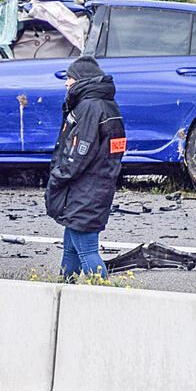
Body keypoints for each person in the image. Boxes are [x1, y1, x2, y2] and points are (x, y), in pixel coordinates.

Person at [45, 56, 126, 281]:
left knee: (87, 249)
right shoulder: (106, 105)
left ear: (81, 80)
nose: (66, 83)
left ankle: (102, 295)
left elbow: (79, 152)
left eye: (69, 78)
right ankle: (62, 287)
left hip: (86, 189)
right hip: (96, 185)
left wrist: (58, 176)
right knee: (71, 246)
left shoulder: (90, 107)